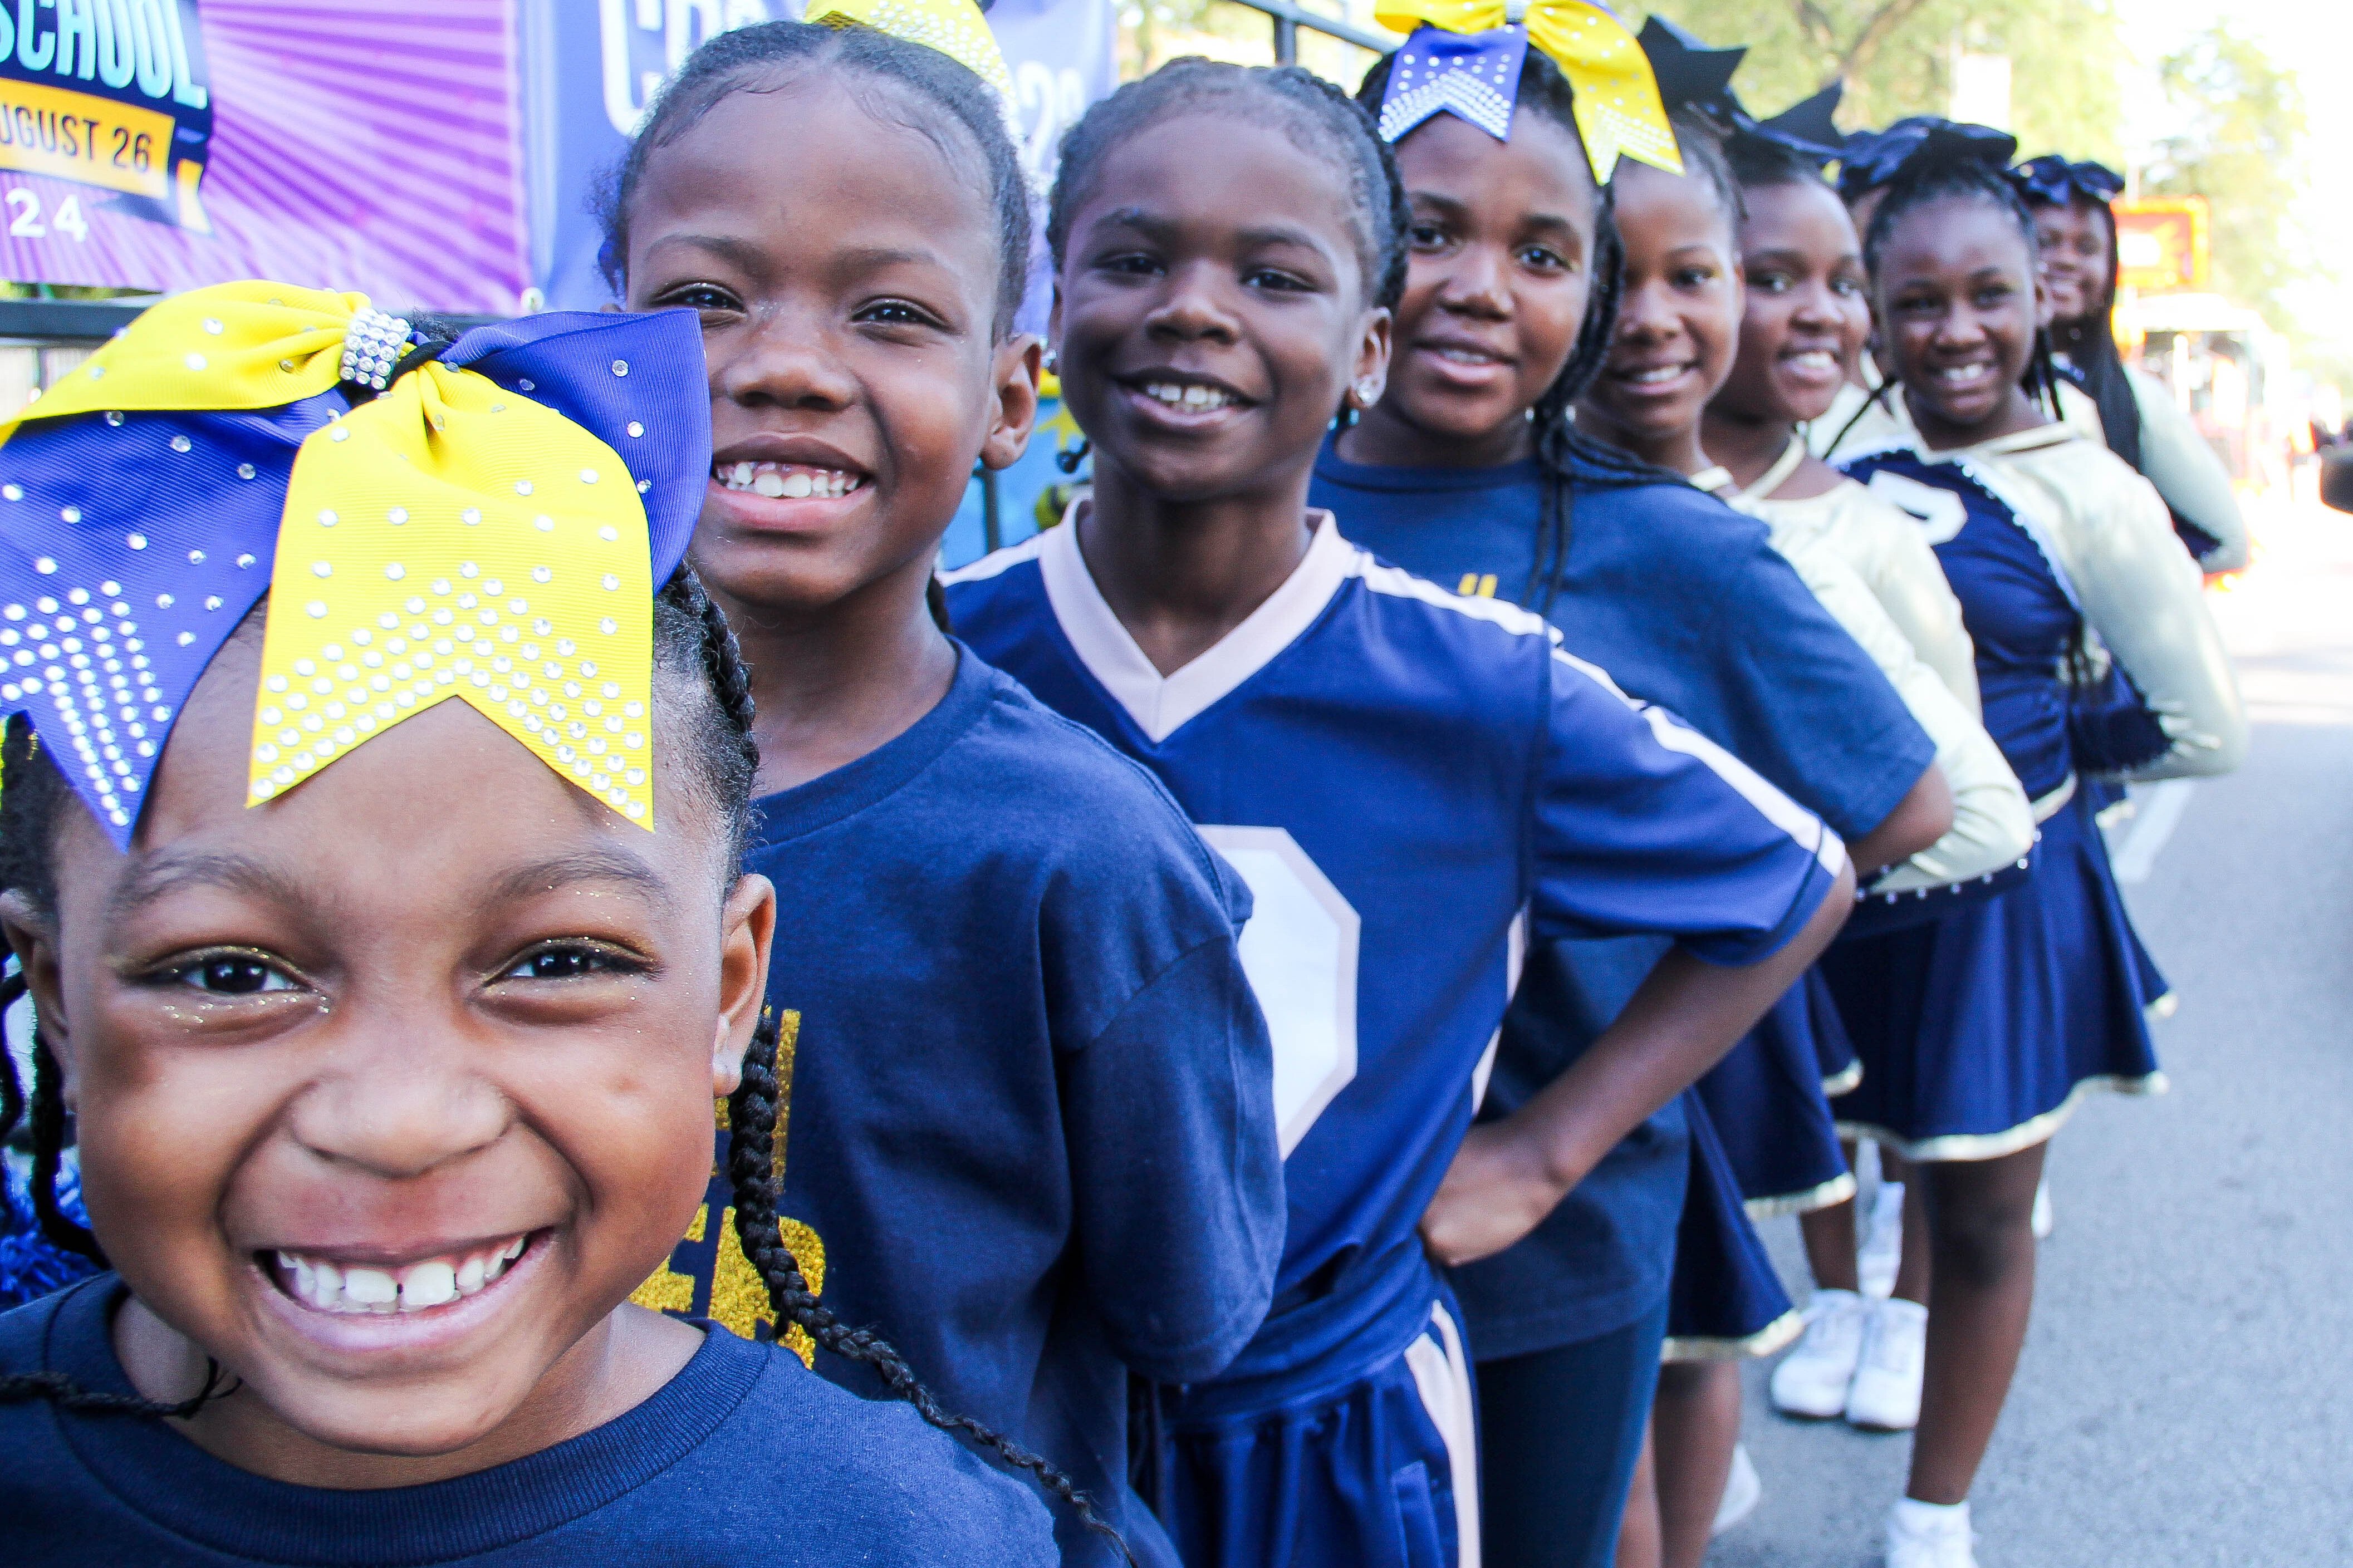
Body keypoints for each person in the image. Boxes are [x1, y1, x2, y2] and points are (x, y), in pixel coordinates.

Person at [948, 56, 1862, 1568]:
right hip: (1012, 1398)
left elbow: (1796, 879)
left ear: (1365, 348)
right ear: (1045, 313)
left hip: (1341, 1416)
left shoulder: (1481, 688)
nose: (1193, 306)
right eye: (1132, 256)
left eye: (1273, 272)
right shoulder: (945, 649)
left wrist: (1545, 1151)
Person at [0, 284, 1061, 1564]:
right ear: (55, 997)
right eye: (231, 973)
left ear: (728, 995)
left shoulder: (915, 1542)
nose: (398, 1122)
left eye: (557, 960)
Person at [596, 19, 1286, 1567]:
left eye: (892, 313)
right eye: (703, 299)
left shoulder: (1090, 867)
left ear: (1009, 394)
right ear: (603, 342)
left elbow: (1185, 1312)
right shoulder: (481, 786)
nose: (781, 364)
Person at [1305, 26, 1939, 1566]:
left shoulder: (1670, 547)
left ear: (1587, 292)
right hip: (1254, 1238)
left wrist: (1554, 1138)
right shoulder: (1242, 495)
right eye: (1427, 230)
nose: (1473, 285)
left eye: (1540, 250)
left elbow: (1890, 816)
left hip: (1539, 1243)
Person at [1827, 151, 2246, 1568]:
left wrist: (2035, 750)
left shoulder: (2092, 488)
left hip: (2004, 901)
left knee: (1981, 1205)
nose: (1953, 331)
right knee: (1831, 1157)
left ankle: (1932, 1512)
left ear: (2042, 305)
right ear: (1869, 308)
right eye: (1916, 299)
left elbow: (2198, 727)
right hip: (1828, 890)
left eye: (1987, 297)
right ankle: (1839, 1331)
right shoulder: (1821, 439)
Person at [1701, 109, 2038, 1441]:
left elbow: (1966, 806)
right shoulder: (1582, 497)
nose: (1821, 315)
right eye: (1766, 275)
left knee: (1874, 1128)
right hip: (1588, 999)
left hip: (1784, 942)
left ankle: (1873, 1324)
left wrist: (1774, 881)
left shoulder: (1861, 529)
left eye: (1843, 283)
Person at [2014, 154, 2249, 573]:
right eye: (2046, 242)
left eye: (2087, 248)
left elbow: (2226, 543)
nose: (2066, 260)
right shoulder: (1961, 388)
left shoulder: (2137, 399)